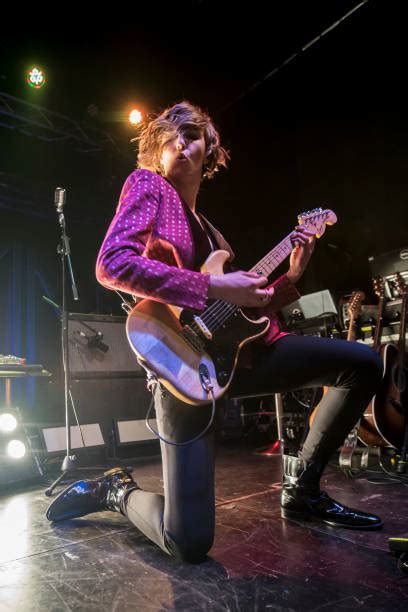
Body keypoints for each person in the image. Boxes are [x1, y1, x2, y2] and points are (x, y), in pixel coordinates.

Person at [46, 101, 383, 563]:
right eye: (172, 137)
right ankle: (117, 490)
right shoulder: (148, 186)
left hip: (242, 359)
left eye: (193, 136)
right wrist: (210, 283)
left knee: (363, 363)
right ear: (157, 149)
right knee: (188, 542)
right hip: (183, 366)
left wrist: (293, 276)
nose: (182, 143)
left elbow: (247, 309)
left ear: (210, 151)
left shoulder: (216, 239)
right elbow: (112, 264)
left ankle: (302, 490)